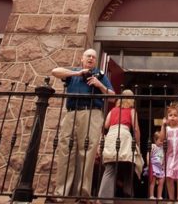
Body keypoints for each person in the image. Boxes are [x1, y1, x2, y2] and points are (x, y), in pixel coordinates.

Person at [51, 49, 115, 200]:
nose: (91, 58)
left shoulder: (100, 75)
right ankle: (61, 194)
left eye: (94, 57)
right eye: (88, 56)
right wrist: (77, 73)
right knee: (66, 150)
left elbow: (112, 97)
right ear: (82, 59)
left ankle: (82, 195)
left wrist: (99, 85)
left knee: (87, 152)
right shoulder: (73, 72)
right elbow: (55, 71)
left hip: (91, 112)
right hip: (71, 112)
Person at [97, 89, 143, 203]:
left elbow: (106, 125)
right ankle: (126, 193)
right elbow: (136, 129)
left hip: (112, 135)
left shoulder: (113, 110)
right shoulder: (132, 111)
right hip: (124, 135)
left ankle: (105, 198)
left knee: (110, 166)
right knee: (130, 163)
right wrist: (138, 143)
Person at [147, 131, 165, 200]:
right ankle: (151, 195)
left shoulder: (164, 147)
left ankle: (159, 196)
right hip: (154, 165)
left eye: (163, 141)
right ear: (155, 140)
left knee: (161, 182)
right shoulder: (153, 146)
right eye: (160, 141)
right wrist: (148, 163)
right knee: (152, 181)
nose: (161, 142)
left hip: (161, 167)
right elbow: (148, 154)